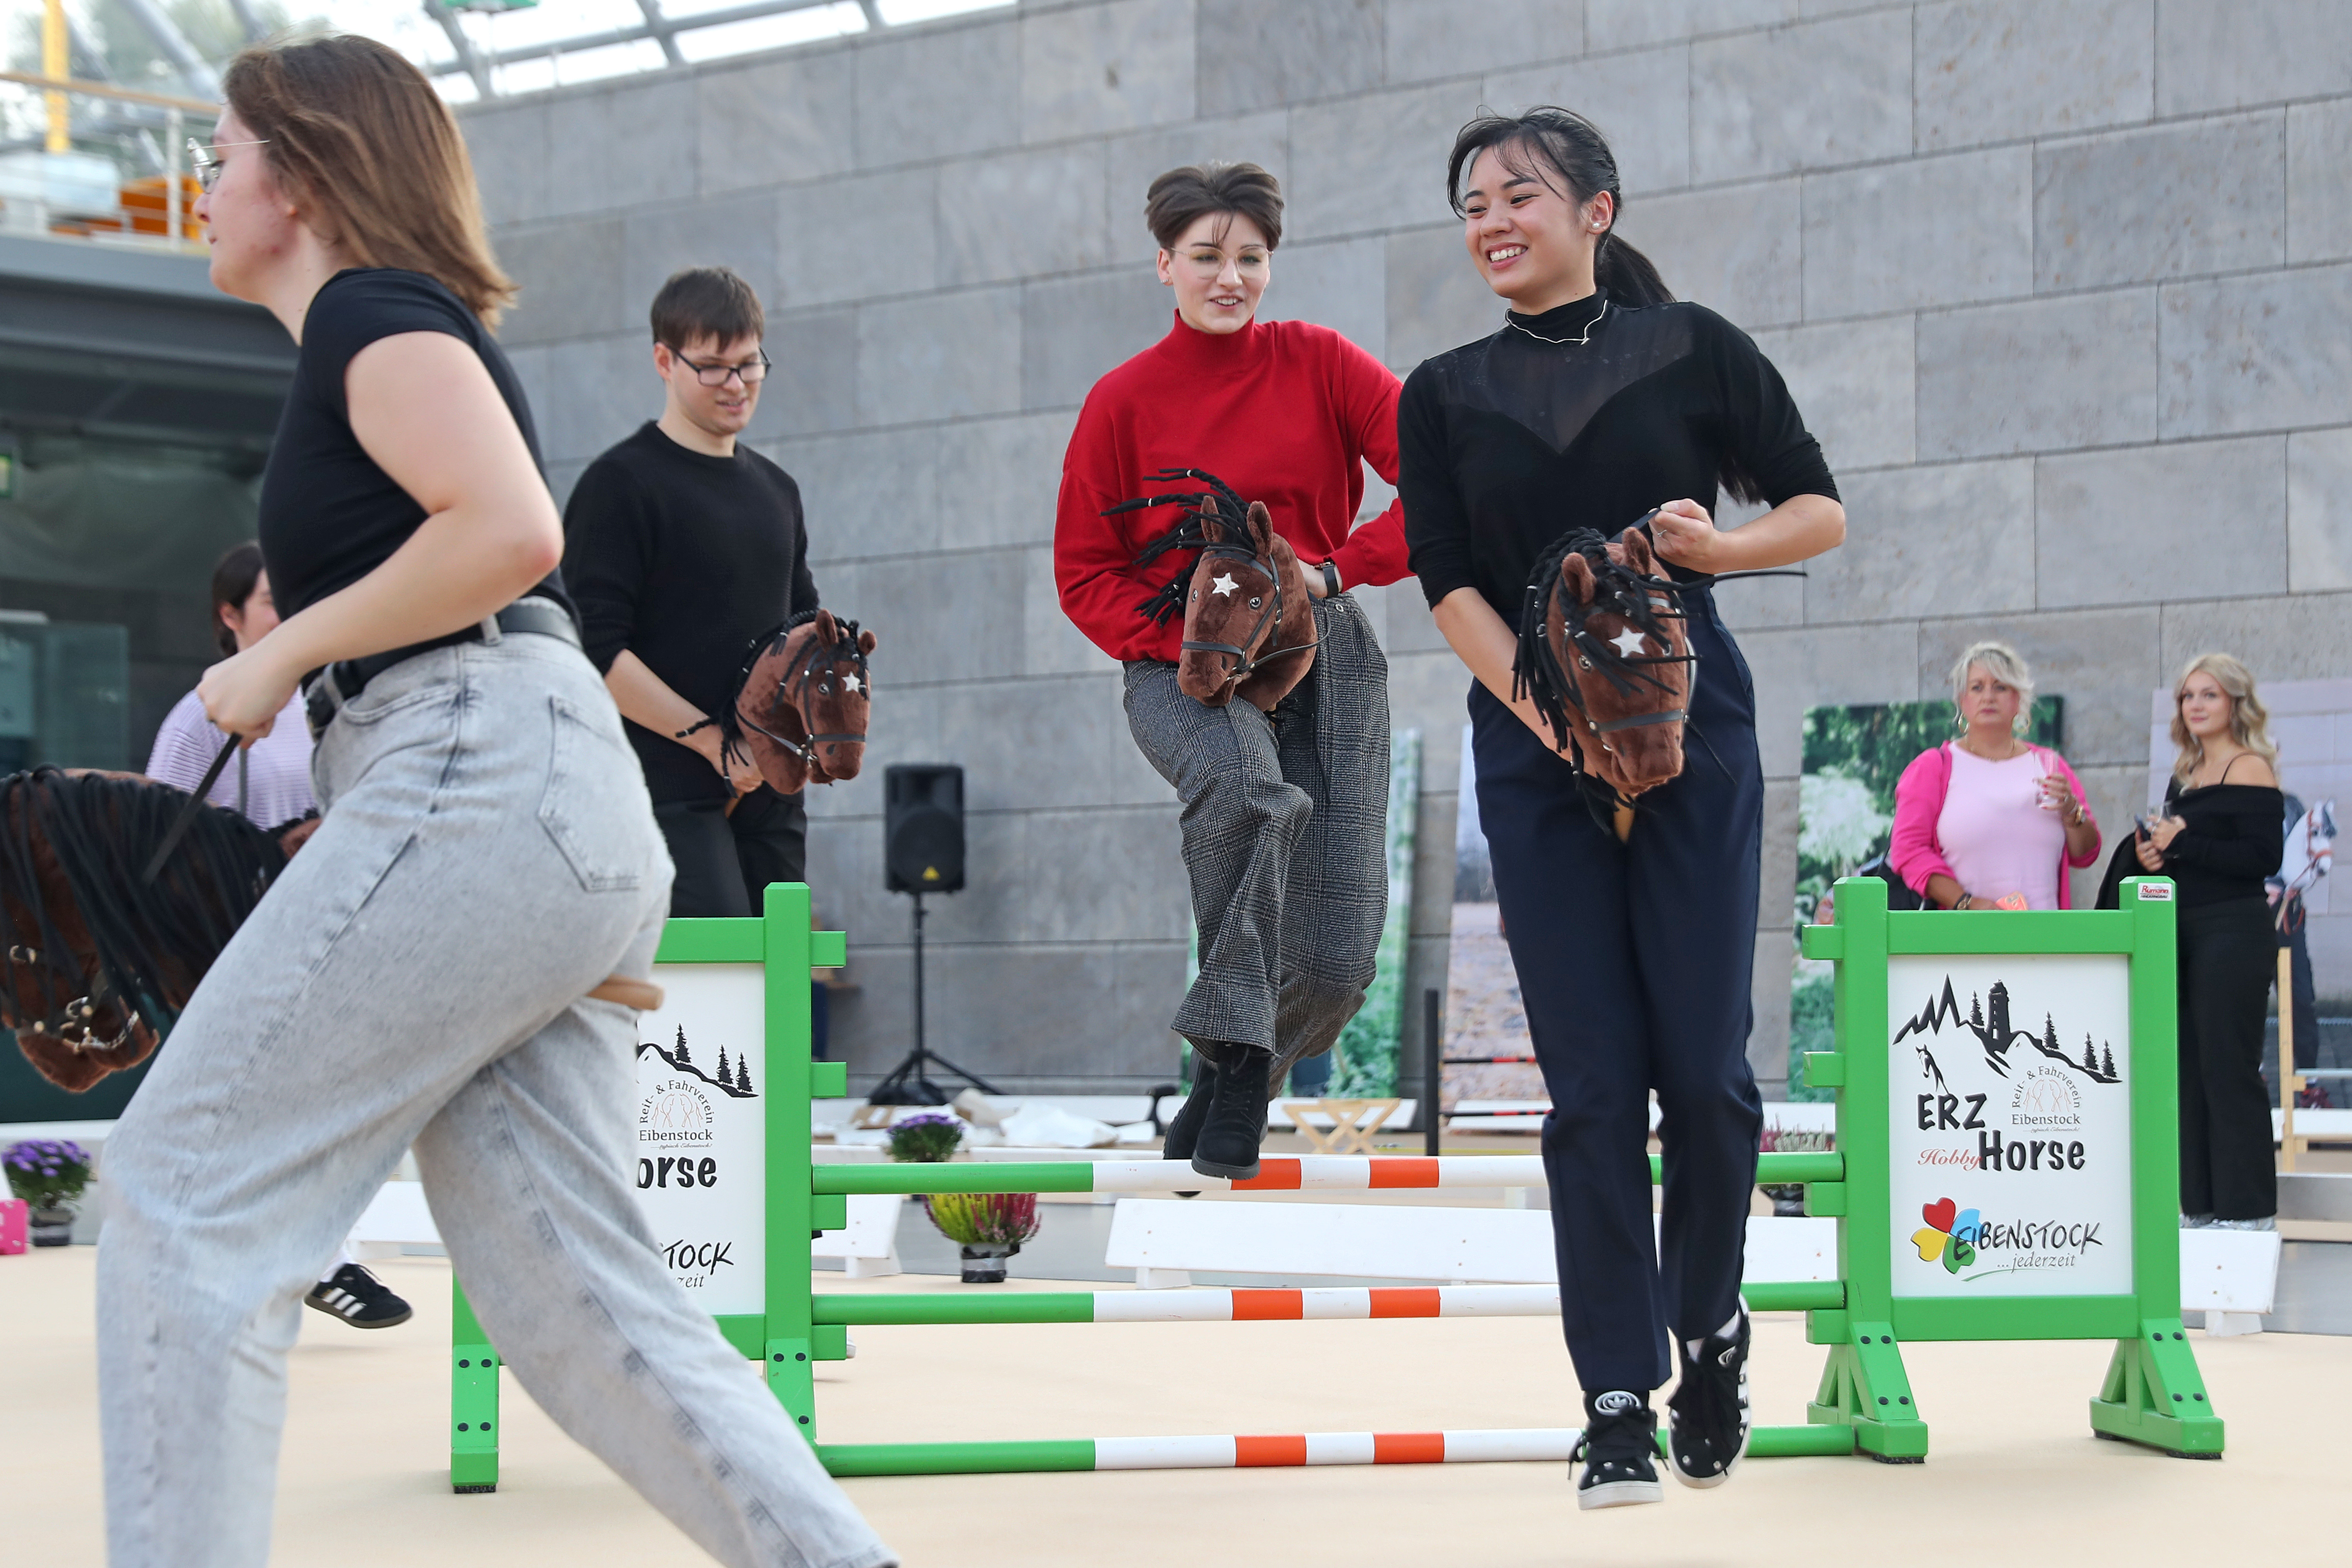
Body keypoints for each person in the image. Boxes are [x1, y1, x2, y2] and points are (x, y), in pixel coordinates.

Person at [95, 37, 893, 1568]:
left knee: (183, 1196)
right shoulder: (381, 327)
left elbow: (515, 531)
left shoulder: (369, 312)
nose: (199, 184)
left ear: (301, 172)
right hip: (532, 796)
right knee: (580, 1302)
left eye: (218, 153)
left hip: (474, 765)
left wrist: (276, 656)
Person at [1397, 108, 1844, 1508]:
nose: (1490, 221)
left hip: (1689, 725)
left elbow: (1819, 509)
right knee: (1590, 1087)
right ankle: (1612, 1399)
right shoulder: (1440, 391)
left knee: (1704, 1075)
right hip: (1532, 745)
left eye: (1516, 194)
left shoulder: (1693, 346)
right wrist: (1549, 720)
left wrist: (1724, 546)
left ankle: (1708, 1325)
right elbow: (1447, 582)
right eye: (1472, 204)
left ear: (1596, 208)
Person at [1055, 161, 1411, 1179]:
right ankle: (1246, 1058)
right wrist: (1180, 639)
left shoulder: (1322, 362)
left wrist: (1338, 569)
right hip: (1181, 658)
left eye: (1250, 258)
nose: (1230, 277)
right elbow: (1083, 570)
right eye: (1206, 256)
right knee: (1246, 791)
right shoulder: (1120, 401)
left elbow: (1442, 480)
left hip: (1324, 645)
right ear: (1164, 265)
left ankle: (1221, 1072)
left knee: (1339, 963)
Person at [146, 540, 416, 1332]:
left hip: (336, 930)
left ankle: (310, 1259)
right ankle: (311, 1263)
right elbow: (159, 834)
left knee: (321, 1101)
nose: (287, 613)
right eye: (270, 600)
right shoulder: (203, 713)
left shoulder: (332, 703)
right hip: (238, 941)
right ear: (229, 616)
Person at [561, 267, 818, 918]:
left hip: (771, 791)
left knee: (781, 969)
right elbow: (594, 649)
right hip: (663, 789)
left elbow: (802, 627)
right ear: (664, 361)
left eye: (749, 363)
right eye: (711, 367)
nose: (736, 384)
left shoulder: (778, 491)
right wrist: (713, 743)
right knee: (711, 974)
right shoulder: (619, 484)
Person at [2137, 653, 2282, 1231]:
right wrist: (2155, 855)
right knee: (2189, 1068)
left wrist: (2183, 844)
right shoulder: (2184, 774)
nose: (2194, 705)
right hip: (2181, 928)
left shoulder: (2250, 767)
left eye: (2209, 694)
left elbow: (2261, 858)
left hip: (2234, 930)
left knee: (2228, 1064)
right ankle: (2198, 1205)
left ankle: (2249, 1211)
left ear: (2235, 704)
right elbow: (2184, 855)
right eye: (2187, 696)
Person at [1888, 641, 2102, 911]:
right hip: (1964, 934)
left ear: (2018, 700)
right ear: (1963, 700)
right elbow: (1908, 851)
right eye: (1977, 687)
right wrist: (1966, 903)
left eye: (2000, 687)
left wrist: (2072, 813)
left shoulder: (2050, 765)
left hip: (2045, 934)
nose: (1988, 697)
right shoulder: (1933, 767)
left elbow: (2086, 854)